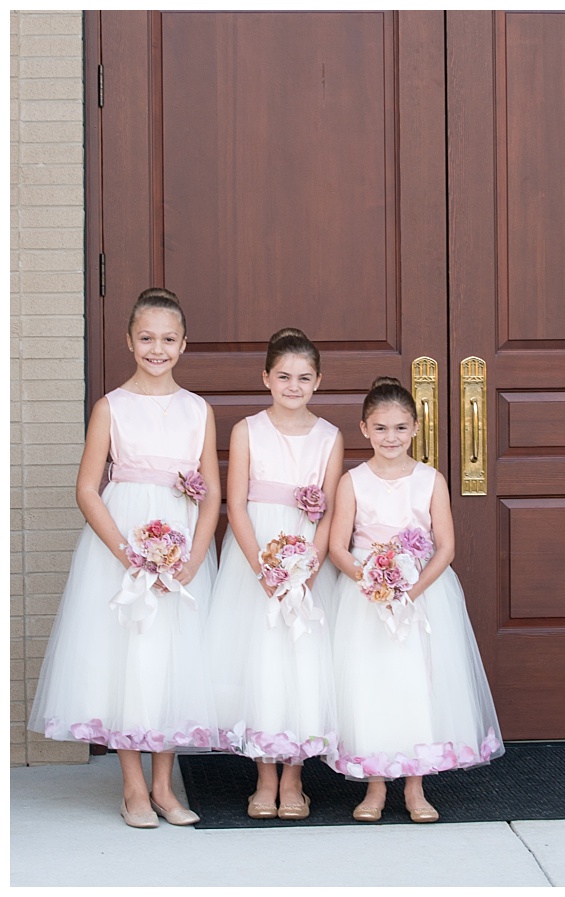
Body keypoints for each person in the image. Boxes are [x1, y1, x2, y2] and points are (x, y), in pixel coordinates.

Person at [28, 288, 220, 829]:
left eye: (167, 339)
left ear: (183, 344)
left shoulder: (197, 410)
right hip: (123, 545)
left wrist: (196, 556)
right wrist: (128, 553)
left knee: (171, 659)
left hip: (180, 547)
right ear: (128, 341)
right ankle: (133, 787)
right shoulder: (111, 407)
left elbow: (210, 491)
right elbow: (88, 488)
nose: (156, 349)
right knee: (127, 657)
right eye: (146, 338)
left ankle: (165, 786)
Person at [326, 377, 503, 822]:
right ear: (364, 428)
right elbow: (337, 546)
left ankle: (415, 786)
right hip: (367, 597)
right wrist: (372, 582)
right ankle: (374, 785)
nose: (391, 438)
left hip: (421, 594)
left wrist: (410, 590)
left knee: (417, 683)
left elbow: (445, 546)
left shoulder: (430, 480)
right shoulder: (353, 482)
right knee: (372, 682)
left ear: (416, 427)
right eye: (382, 428)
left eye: (401, 428)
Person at [205, 328, 343, 821]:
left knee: (302, 665)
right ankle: (264, 776)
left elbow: (330, 513)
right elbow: (234, 504)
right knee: (261, 664)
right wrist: (263, 566)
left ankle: (294, 777)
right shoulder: (247, 430)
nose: (293, 385)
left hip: (307, 562)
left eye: (304, 377)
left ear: (318, 381)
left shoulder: (330, 436)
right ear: (266, 377)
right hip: (256, 560)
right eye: (283, 375)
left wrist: (308, 569)